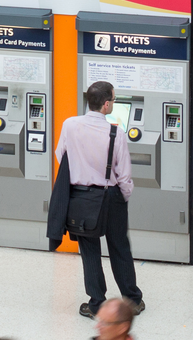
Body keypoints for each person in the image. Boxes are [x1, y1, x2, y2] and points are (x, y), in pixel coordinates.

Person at [50, 80, 144, 319]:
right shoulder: (116, 132)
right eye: (113, 100)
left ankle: (97, 304)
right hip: (110, 195)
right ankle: (132, 300)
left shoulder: (70, 125)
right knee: (119, 247)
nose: (113, 103)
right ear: (105, 104)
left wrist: (82, 173)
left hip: (80, 196)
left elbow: (60, 155)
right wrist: (123, 197)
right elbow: (123, 176)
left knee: (89, 250)